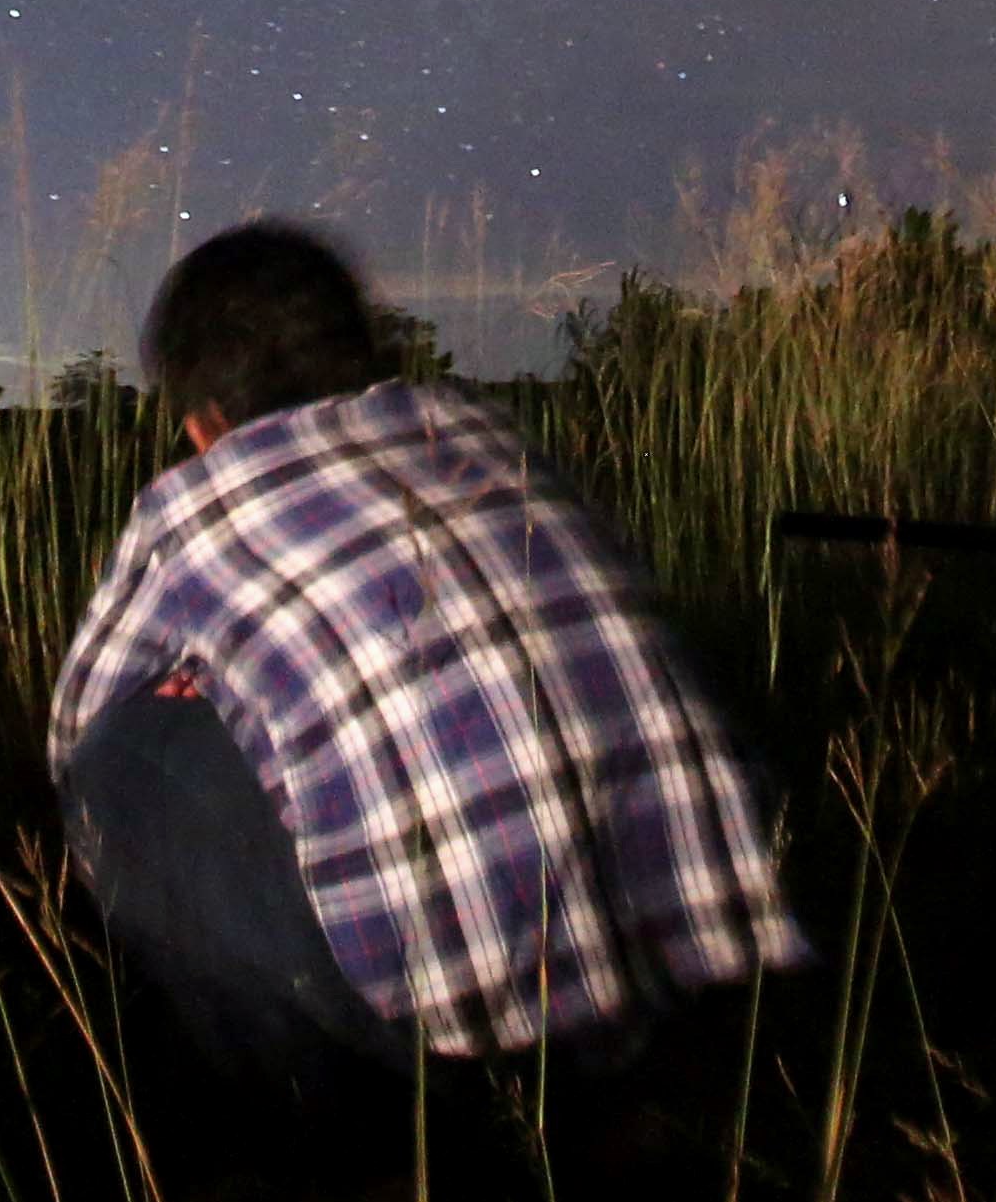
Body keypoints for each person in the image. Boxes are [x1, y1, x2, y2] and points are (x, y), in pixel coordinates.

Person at [47, 219, 801, 1092]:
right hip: (680, 977)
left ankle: (289, 1114)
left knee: (126, 756)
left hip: (453, 1032)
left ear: (203, 417)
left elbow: (78, 730)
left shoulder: (192, 507)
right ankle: (623, 1106)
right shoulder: (478, 429)